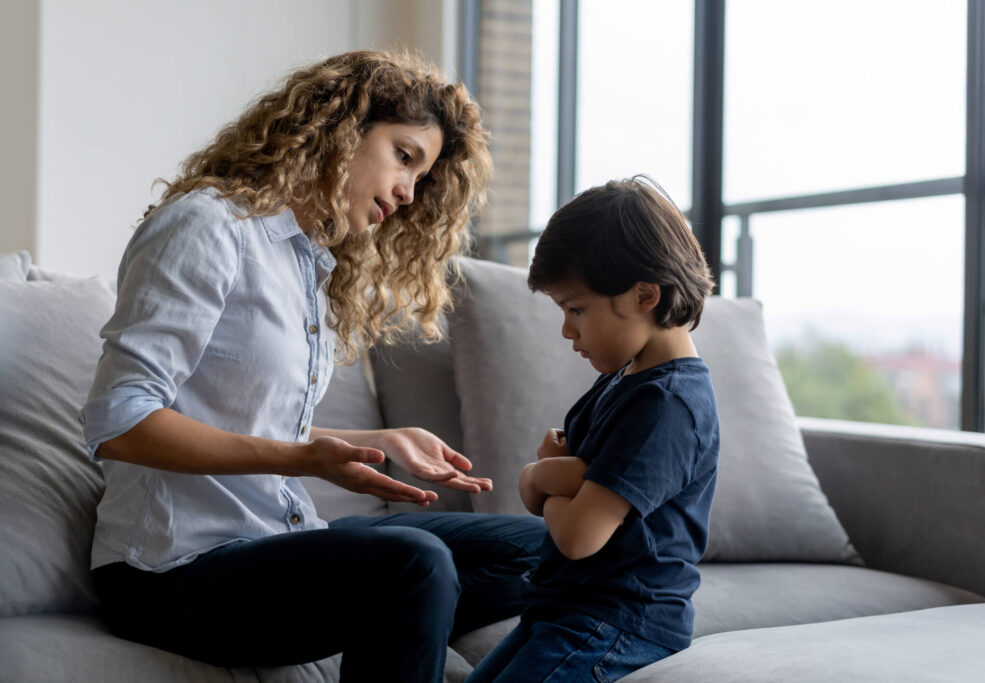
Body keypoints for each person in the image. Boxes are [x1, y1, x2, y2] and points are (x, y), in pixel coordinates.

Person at [81, 50, 544, 683]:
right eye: (404, 156)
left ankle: (405, 619)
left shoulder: (311, 266)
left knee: (543, 552)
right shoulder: (207, 227)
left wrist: (371, 442)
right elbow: (120, 421)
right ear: (340, 129)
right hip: (169, 571)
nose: (410, 193)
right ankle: (408, 610)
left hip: (273, 542)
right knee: (415, 562)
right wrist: (306, 459)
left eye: (422, 176)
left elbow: (248, 421)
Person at [465, 176, 720, 682]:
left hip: (617, 624)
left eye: (576, 309)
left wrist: (544, 477)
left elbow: (579, 536)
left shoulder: (668, 405)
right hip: (566, 611)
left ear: (644, 295)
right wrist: (561, 478)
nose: (567, 330)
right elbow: (549, 497)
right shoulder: (624, 379)